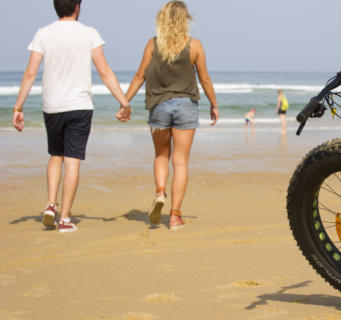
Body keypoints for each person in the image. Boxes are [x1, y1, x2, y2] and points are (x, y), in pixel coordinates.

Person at [11, 0, 131, 233]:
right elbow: (104, 71)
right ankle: (64, 218)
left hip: (52, 106)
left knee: (55, 155)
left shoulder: (43, 34)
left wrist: (18, 106)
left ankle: (50, 205)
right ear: (77, 6)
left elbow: (30, 72)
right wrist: (124, 101)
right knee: (72, 161)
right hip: (79, 106)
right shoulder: (89, 33)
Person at [119, 1, 218, 230]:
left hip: (158, 106)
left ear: (162, 19)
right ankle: (175, 217)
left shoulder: (153, 45)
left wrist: (124, 103)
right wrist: (214, 104)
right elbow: (204, 79)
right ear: (185, 20)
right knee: (181, 163)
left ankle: (160, 192)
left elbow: (139, 76)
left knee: (161, 155)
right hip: (186, 106)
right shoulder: (195, 46)